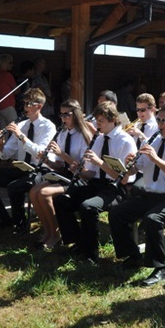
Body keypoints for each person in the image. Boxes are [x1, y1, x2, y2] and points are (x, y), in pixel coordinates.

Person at [108, 103, 165, 286]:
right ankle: (134, 256)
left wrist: (156, 159)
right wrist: (130, 165)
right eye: (159, 120)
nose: (161, 124)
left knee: (153, 219)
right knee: (116, 213)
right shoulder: (152, 141)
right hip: (150, 194)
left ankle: (160, 268)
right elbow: (134, 172)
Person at [53, 101, 137, 263]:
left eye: (101, 121)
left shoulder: (125, 141)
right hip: (96, 184)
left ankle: (91, 254)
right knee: (62, 200)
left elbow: (124, 178)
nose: (97, 125)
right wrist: (78, 170)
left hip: (116, 189)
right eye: (97, 121)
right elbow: (91, 174)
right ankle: (78, 242)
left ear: (113, 120)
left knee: (88, 207)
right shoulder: (98, 139)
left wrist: (99, 163)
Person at [0, 88, 56, 234]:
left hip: (39, 170)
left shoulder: (48, 127)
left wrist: (21, 136)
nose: (24, 107)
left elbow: (40, 153)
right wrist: (0, 146)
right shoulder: (21, 125)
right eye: (24, 104)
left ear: (39, 106)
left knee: (15, 186)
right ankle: (2, 218)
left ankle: (20, 223)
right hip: (21, 168)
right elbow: (6, 155)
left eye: (28, 104)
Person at [29, 99, 93, 249]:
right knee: (34, 192)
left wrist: (61, 154)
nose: (63, 118)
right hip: (64, 173)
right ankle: (48, 231)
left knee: (44, 193)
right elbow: (59, 165)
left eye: (67, 115)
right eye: (61, 115)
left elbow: (82, 166)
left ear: (76, 115)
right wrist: (46, 160)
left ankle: (56, 234)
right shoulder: (63, 133)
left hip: (79, 177)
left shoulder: (84, 136)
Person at [0, 53, 17, 129]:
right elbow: (17, 90)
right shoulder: (7, 75)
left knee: (3, 131)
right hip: (8, 105)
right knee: (17, 128)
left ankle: (3, 141)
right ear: (4, 63)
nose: (12, 65)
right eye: (10, 63)